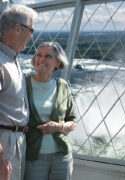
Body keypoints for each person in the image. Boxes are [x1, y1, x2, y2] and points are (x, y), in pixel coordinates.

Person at [24, 42, 76, 180]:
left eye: (48, 56)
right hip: (33, 156)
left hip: (62, 157)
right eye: (39, 55)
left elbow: (73, 122)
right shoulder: (23, 84)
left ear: (58, 62)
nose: (41, 59)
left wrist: (58, 127)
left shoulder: (63, 86)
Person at [0, 4, 37, 180]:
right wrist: (0, 156)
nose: (31, 36)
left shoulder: (13, 59)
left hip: (16, 141)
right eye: (31, 30)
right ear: (17, 28)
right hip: (4, 144)